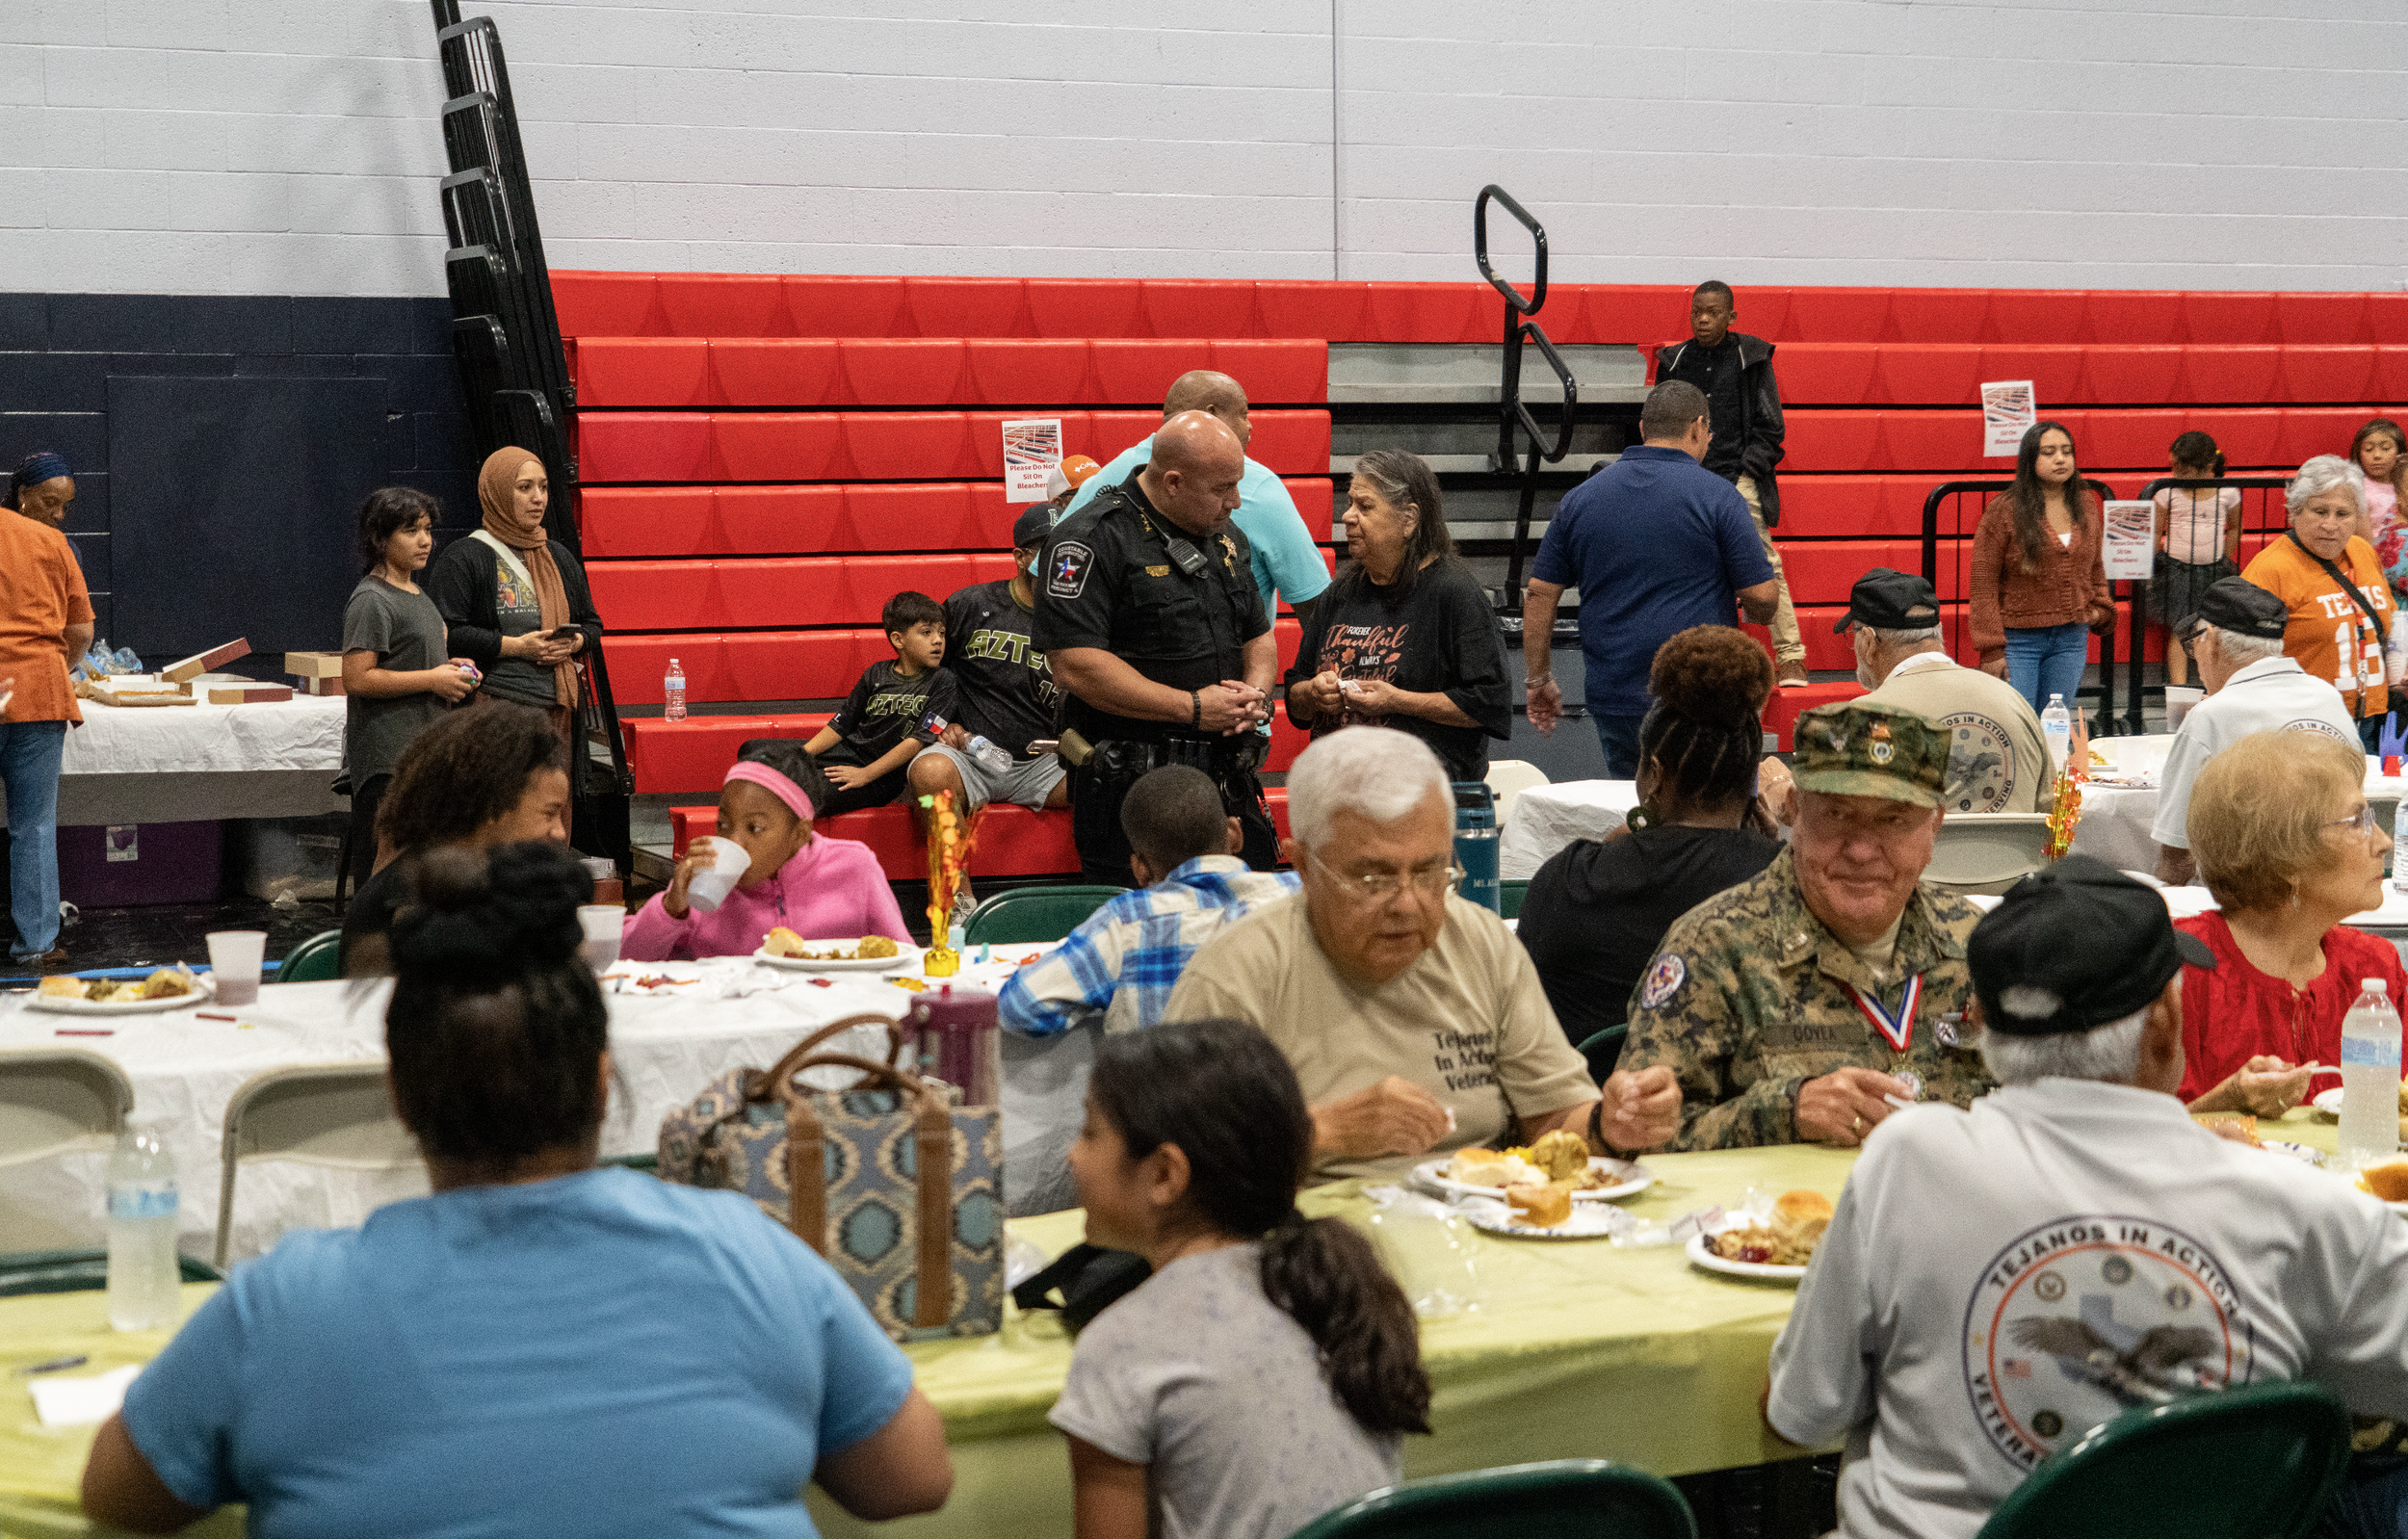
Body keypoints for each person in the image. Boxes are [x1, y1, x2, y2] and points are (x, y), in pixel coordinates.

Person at [81, 841, 953, 1538]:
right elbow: (914, 1479)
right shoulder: (752, 1252)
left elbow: (120, 1495)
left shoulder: (284, 1302)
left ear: (400, 1096)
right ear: (604, 1084)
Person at [1765, 856, 2408, 1539]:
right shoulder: (2301, 1209)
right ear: (2164, 1021)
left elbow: (1800, 1414)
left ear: (1981, 1022)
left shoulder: (1905, 1161)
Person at [1165, 726, 1681, 1180]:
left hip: (1477, 1239)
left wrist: (1609, 1126)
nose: (1408, 904)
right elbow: (1172, 1166)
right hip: (1300, 1256)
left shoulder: (1481, 944)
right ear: (1302, 867)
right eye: (1374, 877)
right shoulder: (1236, 975)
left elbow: (1551, 1119)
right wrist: (1323, 1133)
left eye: (1432, 871)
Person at [1053, 1016, 1427, 1539]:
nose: (1073, 1154)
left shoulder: (1124, 1345)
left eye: (1091, 1132)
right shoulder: (1337, 1293)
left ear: (1165, 1175)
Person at [1622, 699, 1992, 1151]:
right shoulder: (1713, 948)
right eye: (1837, 814)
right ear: (1794, 810)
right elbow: (1637, 1139)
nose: (1860, 849)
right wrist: (1785, 1112)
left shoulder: (1978, 947)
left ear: (1934, 828)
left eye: (1893, 820)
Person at [996, 766, 1299, 1216]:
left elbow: (1020, 1008)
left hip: (1166, 1165)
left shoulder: (1130, 921)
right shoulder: (1301, 898)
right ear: (1234, 834)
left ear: (1140, 867)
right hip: (1288, 1143)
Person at [1034, 410, 1280, 885]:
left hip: (1225, 780)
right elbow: (1075, 665)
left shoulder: (1227, 537)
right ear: (1172, 481)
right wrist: (1191, 708)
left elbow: (1258, 632)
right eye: (1221, 488)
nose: (1234, 501)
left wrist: (1255, 697)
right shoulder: (1090, 538)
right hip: (1132, 787)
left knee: (1245, 927)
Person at [1517, 627, 1785, 1047]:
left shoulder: (1570, 881)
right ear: (1748, 778)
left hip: (1597, 1102)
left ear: (1655, 774)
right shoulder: (1789, 884)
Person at [1523, 380, 1780, 776]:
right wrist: (1760, 606)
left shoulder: (1580, 498)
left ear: (1644, 429)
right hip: (1702, 698)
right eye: (1708, 433)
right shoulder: (1719, 496)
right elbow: (1761, 596)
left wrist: (1539, 678)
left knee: (1637, 811)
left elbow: (1539, 594)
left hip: (1615, 696)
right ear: (1698, 427)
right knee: (1712, 813)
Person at [2171, 729, 2403, 1117]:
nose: (2383, 842)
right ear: (2286, 855)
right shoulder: (2182, 970)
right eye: (2356, 823)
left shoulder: (2374, 967)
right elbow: (2136, 1146)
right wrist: (2227, 1104)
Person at [1282, 450, 1511, 782]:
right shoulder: (1341, 591)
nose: (1347, 516)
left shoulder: (1454, 593)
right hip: (1339, 791)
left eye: (1365, 506)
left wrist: (1397, 701)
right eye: (1349, 503)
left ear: (1408, 519)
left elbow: (1487, 702)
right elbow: (1296, 694)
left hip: (1419, 799)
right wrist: (1314, 693)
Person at [1061, 369, 1331, 625]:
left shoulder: (1111, 473)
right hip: (1216, 665)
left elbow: (1048, 575)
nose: (1250, 426)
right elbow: (1315, 607)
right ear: (1210, 415)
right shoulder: (1260, 487)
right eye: (1243, 413)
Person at [909, 505, 1068, 925]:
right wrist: (942, 724)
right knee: (928, 775)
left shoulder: (1081, 615)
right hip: (971, 757)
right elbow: (924, 674)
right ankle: (960, 904)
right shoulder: (971, 604)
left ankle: (1110, 896)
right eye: (1045, 549)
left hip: (1044, 763)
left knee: (1115, 777)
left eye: (1065, 549)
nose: (1058, 559)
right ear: (1021, 557)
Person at [2150, 578, 2358, 887]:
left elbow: (2176, 857)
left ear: (2210, 641)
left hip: (2250, 905)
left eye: (2193, 643)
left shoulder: (2210, 716)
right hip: (2332, 885)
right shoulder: (2327, 696)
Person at [339, 700, 570, 976]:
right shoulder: (422, 902)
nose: (560, 832)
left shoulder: (486, 881)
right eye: (548, 814)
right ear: (491, 806)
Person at [623, 741, 909, 962]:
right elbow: (626, 963)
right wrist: (670, 909)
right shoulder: (703, 880)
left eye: (755, 828)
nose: (734, 841)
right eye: (723, 823)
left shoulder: (854, 866)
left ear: (799, 834)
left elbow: (905, 957)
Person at [1654, 280, 1806, 687]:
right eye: (1696, 312)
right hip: (1684, 478)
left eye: (1712, 312)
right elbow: (1660, 423)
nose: (1702, 319)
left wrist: (1746, 471)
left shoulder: (1752, 356)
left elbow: (1771, 427)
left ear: (1731, 316)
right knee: (1682, 563)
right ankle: (1687, 657)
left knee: (1764, 562)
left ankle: (1791, 657)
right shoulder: (1673, 359)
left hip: (1737, 478)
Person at [340, 486, 476, 896]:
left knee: (416, 872)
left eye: (428, 529)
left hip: (421, 753)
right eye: (410, 531)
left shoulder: (416, 592)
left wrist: (453, 669)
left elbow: (416, 660)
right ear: (381, 539)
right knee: (384, 871)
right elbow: (358, 677)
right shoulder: (372, 599)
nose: (424, 541)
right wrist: (433, 678)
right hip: (387, 758)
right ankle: (364, 948)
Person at [426, 446, 604, 749]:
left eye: (544, 487)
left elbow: (592, 623)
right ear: (497, 493)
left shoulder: (558, 555)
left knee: (552, 798)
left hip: (557, 708)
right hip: (494, 707)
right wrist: (518, 647)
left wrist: (573, 643)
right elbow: (448, 634)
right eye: (525, 488)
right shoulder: (465, 556)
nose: (538, 498)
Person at [1849, 567, 2051, 814]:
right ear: (1939, 631)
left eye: (1853, 634)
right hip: (2017, 853)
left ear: (1868, 641)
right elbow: (2053, 809)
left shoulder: (1863, 716)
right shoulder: (2013, 700)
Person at [2243, 454, 2399, 751]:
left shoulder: (2362, 551)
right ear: (2295, 511)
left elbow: (2389, 621)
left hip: (2372, 718)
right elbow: (2244, 658)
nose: (2330, 524)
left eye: (2343, 514)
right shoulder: (2270, 568)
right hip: (2305, 724)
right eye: (2319, 511)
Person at [1968, 421, 2114, 716]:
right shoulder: (2004, 510)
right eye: (2048, 452)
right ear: (2029, 459)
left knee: (2054, 726)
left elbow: (2094, 566)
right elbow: (1983, 583)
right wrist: (1991, 648)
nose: (2060, 459)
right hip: (2017, 641)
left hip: (2071, 638)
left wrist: (2100, 608)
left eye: (2066, 451)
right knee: (2018, 724)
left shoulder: (2086, 503)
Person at [0, 501, 92, 967]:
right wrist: (57, 667)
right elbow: (80, 629)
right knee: (33, 826)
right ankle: (36, 945)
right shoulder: (48, 539)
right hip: (39, 690)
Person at [773, 590, 957, 818]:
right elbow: (842, 724)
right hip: (849, 753)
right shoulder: (876, 672)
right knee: (755, 751)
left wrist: (865, 774)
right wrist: (803, 754)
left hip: (882, 777)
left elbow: (917, 741)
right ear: (898, 639)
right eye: (926, 632)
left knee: (806, 792)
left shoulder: (944, 681)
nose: (938, 640)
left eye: (941, 633)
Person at [2149, 430, 2239, 691]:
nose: (2175, 473)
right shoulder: (2167, 492)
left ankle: (2213, 688)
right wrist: (2152, 566)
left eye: (2182, 469)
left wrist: (2224, 560)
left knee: (2213, 631)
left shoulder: (2228, 492)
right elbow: (2157, 531)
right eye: (2173, 466)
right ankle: (2178, 690)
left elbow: (2234, 528)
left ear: (2208, 467)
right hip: (2175, 570)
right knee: (2180, 630)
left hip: (2213, 571)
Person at [2351, 418, 2408, 602]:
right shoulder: (2357, 488)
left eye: (2386, 448)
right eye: (2369, 449)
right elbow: (2361, 537)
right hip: (2374, 562)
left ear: (2400, 452)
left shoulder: (2404, 484)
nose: (2377, 455)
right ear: (2358, 454)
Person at [6, 451, 75, 529]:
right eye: (50, 503)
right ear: (23, 494)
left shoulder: (60, 541)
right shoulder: (5, 537)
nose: (59, 515)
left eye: (65, 507)